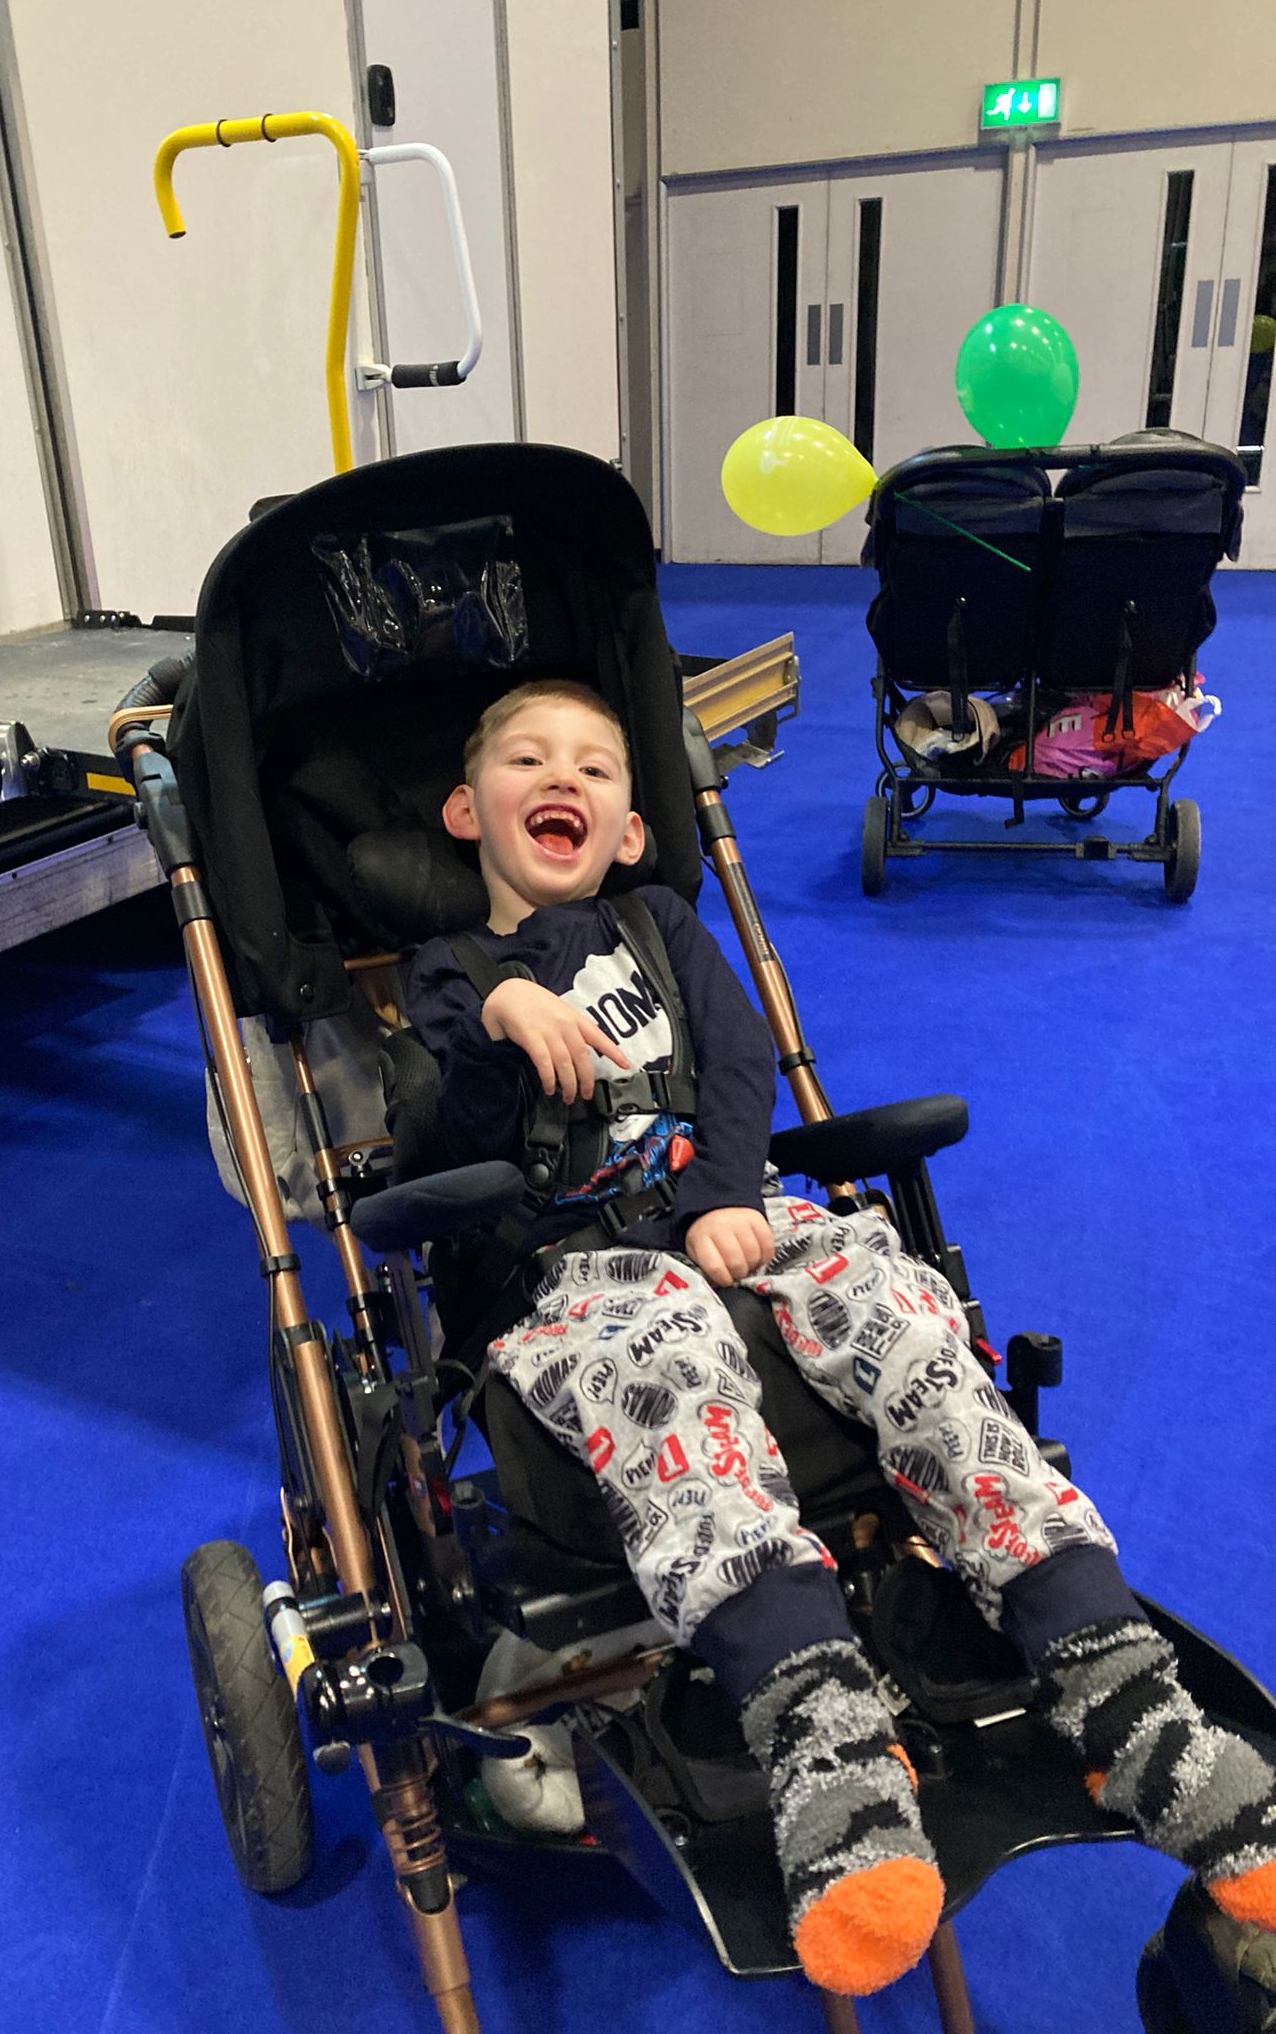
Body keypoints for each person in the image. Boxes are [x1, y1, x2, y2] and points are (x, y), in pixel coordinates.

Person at [404, 680, 1276, 1999]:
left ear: (633, 829)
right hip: (575, 1273)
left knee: (900, 1310)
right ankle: (831, 1758)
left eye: (593, 759)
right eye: (526, 757)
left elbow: (743, 1066)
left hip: (733, 1219)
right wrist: (501, 1027)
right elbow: (438, 1159)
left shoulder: (661, 924)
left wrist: (719, 1204)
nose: (559, 773)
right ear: (472, 812)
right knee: (664, 1361)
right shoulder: (451, 974)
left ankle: (1127, 1696)